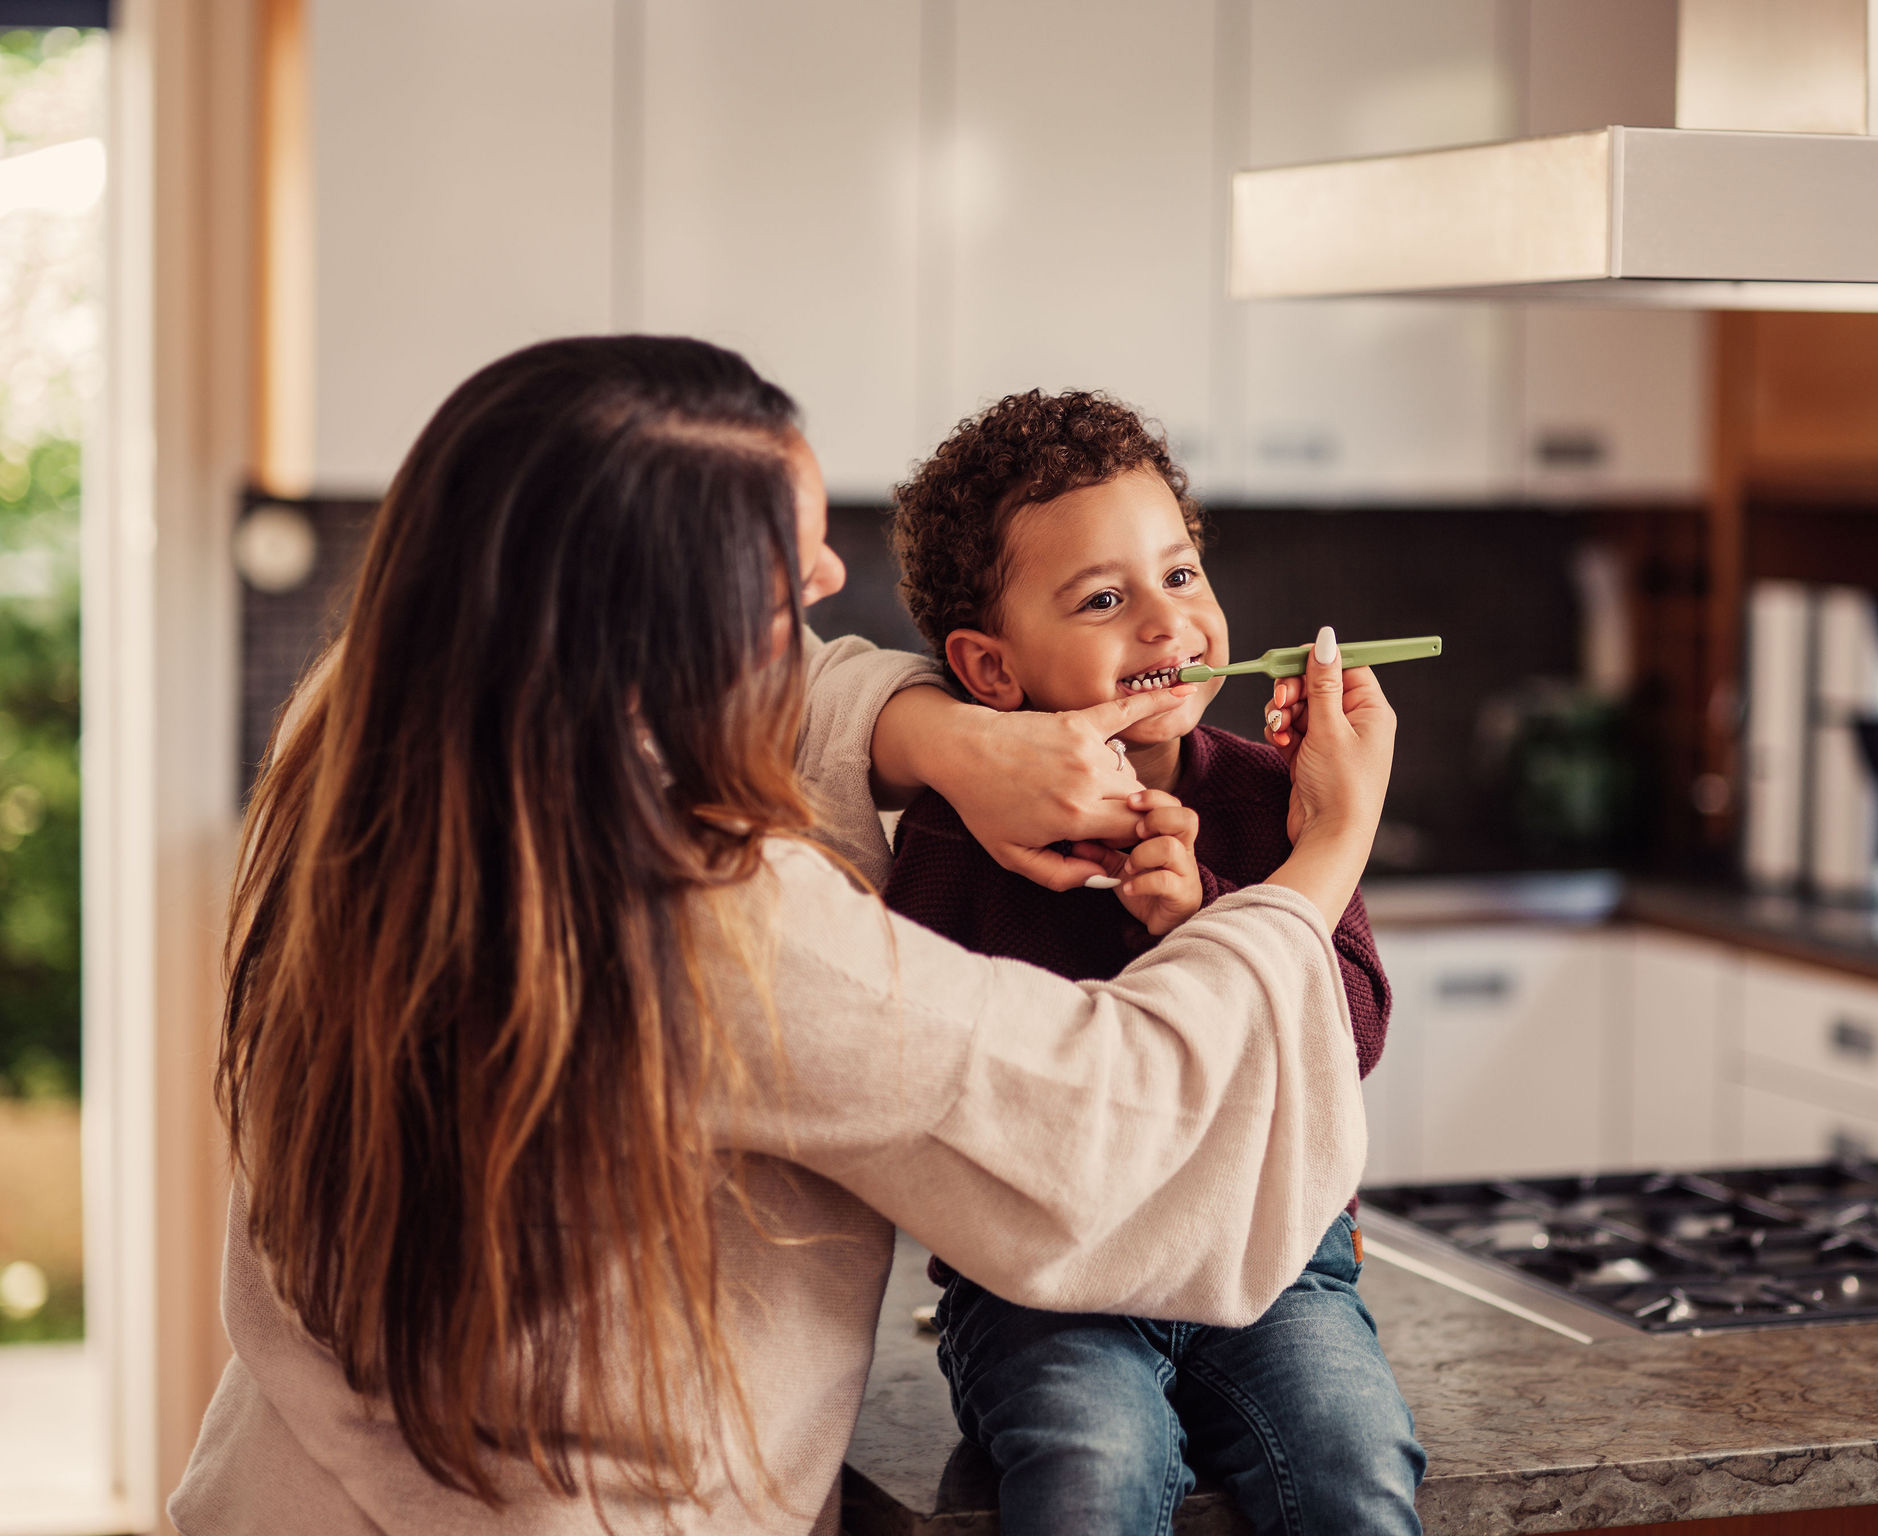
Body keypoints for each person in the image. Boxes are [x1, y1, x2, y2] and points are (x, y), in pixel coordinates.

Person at [168, 336, 1398, 1536]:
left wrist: (946, 740)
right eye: (778, 573)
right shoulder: (704, 917)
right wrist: (1327, 849)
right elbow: (1111, 1126)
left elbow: (803, 681)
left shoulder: (358, 743)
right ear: (653, 626)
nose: (821, 584)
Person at [883, 390, 1425, 1536]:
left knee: (1353, 1457)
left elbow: (1358, 1028)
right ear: (989, 669)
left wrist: (1218, 917)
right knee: (1094, 1466)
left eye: (1179, 577)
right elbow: (939, 1070)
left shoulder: (1284, 798)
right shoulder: (952, 830)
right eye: (1101, 598)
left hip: (1274, 1255)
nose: (1167, 626)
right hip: (1046, 1277)